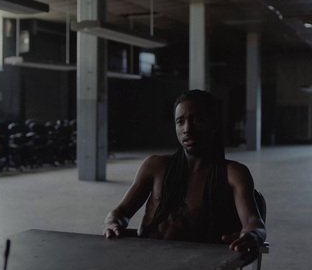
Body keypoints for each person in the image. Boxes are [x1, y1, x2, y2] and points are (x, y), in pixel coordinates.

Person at [102, 89, 266, 256]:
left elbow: (255, 223)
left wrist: (251, 235)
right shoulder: (154, 166)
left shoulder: (233, 173)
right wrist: (112, 222)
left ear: (214, 123)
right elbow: (120, 212)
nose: (187, 128)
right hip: (149, 262)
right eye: (180, 121)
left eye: (196, 119)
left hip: (200, 268)